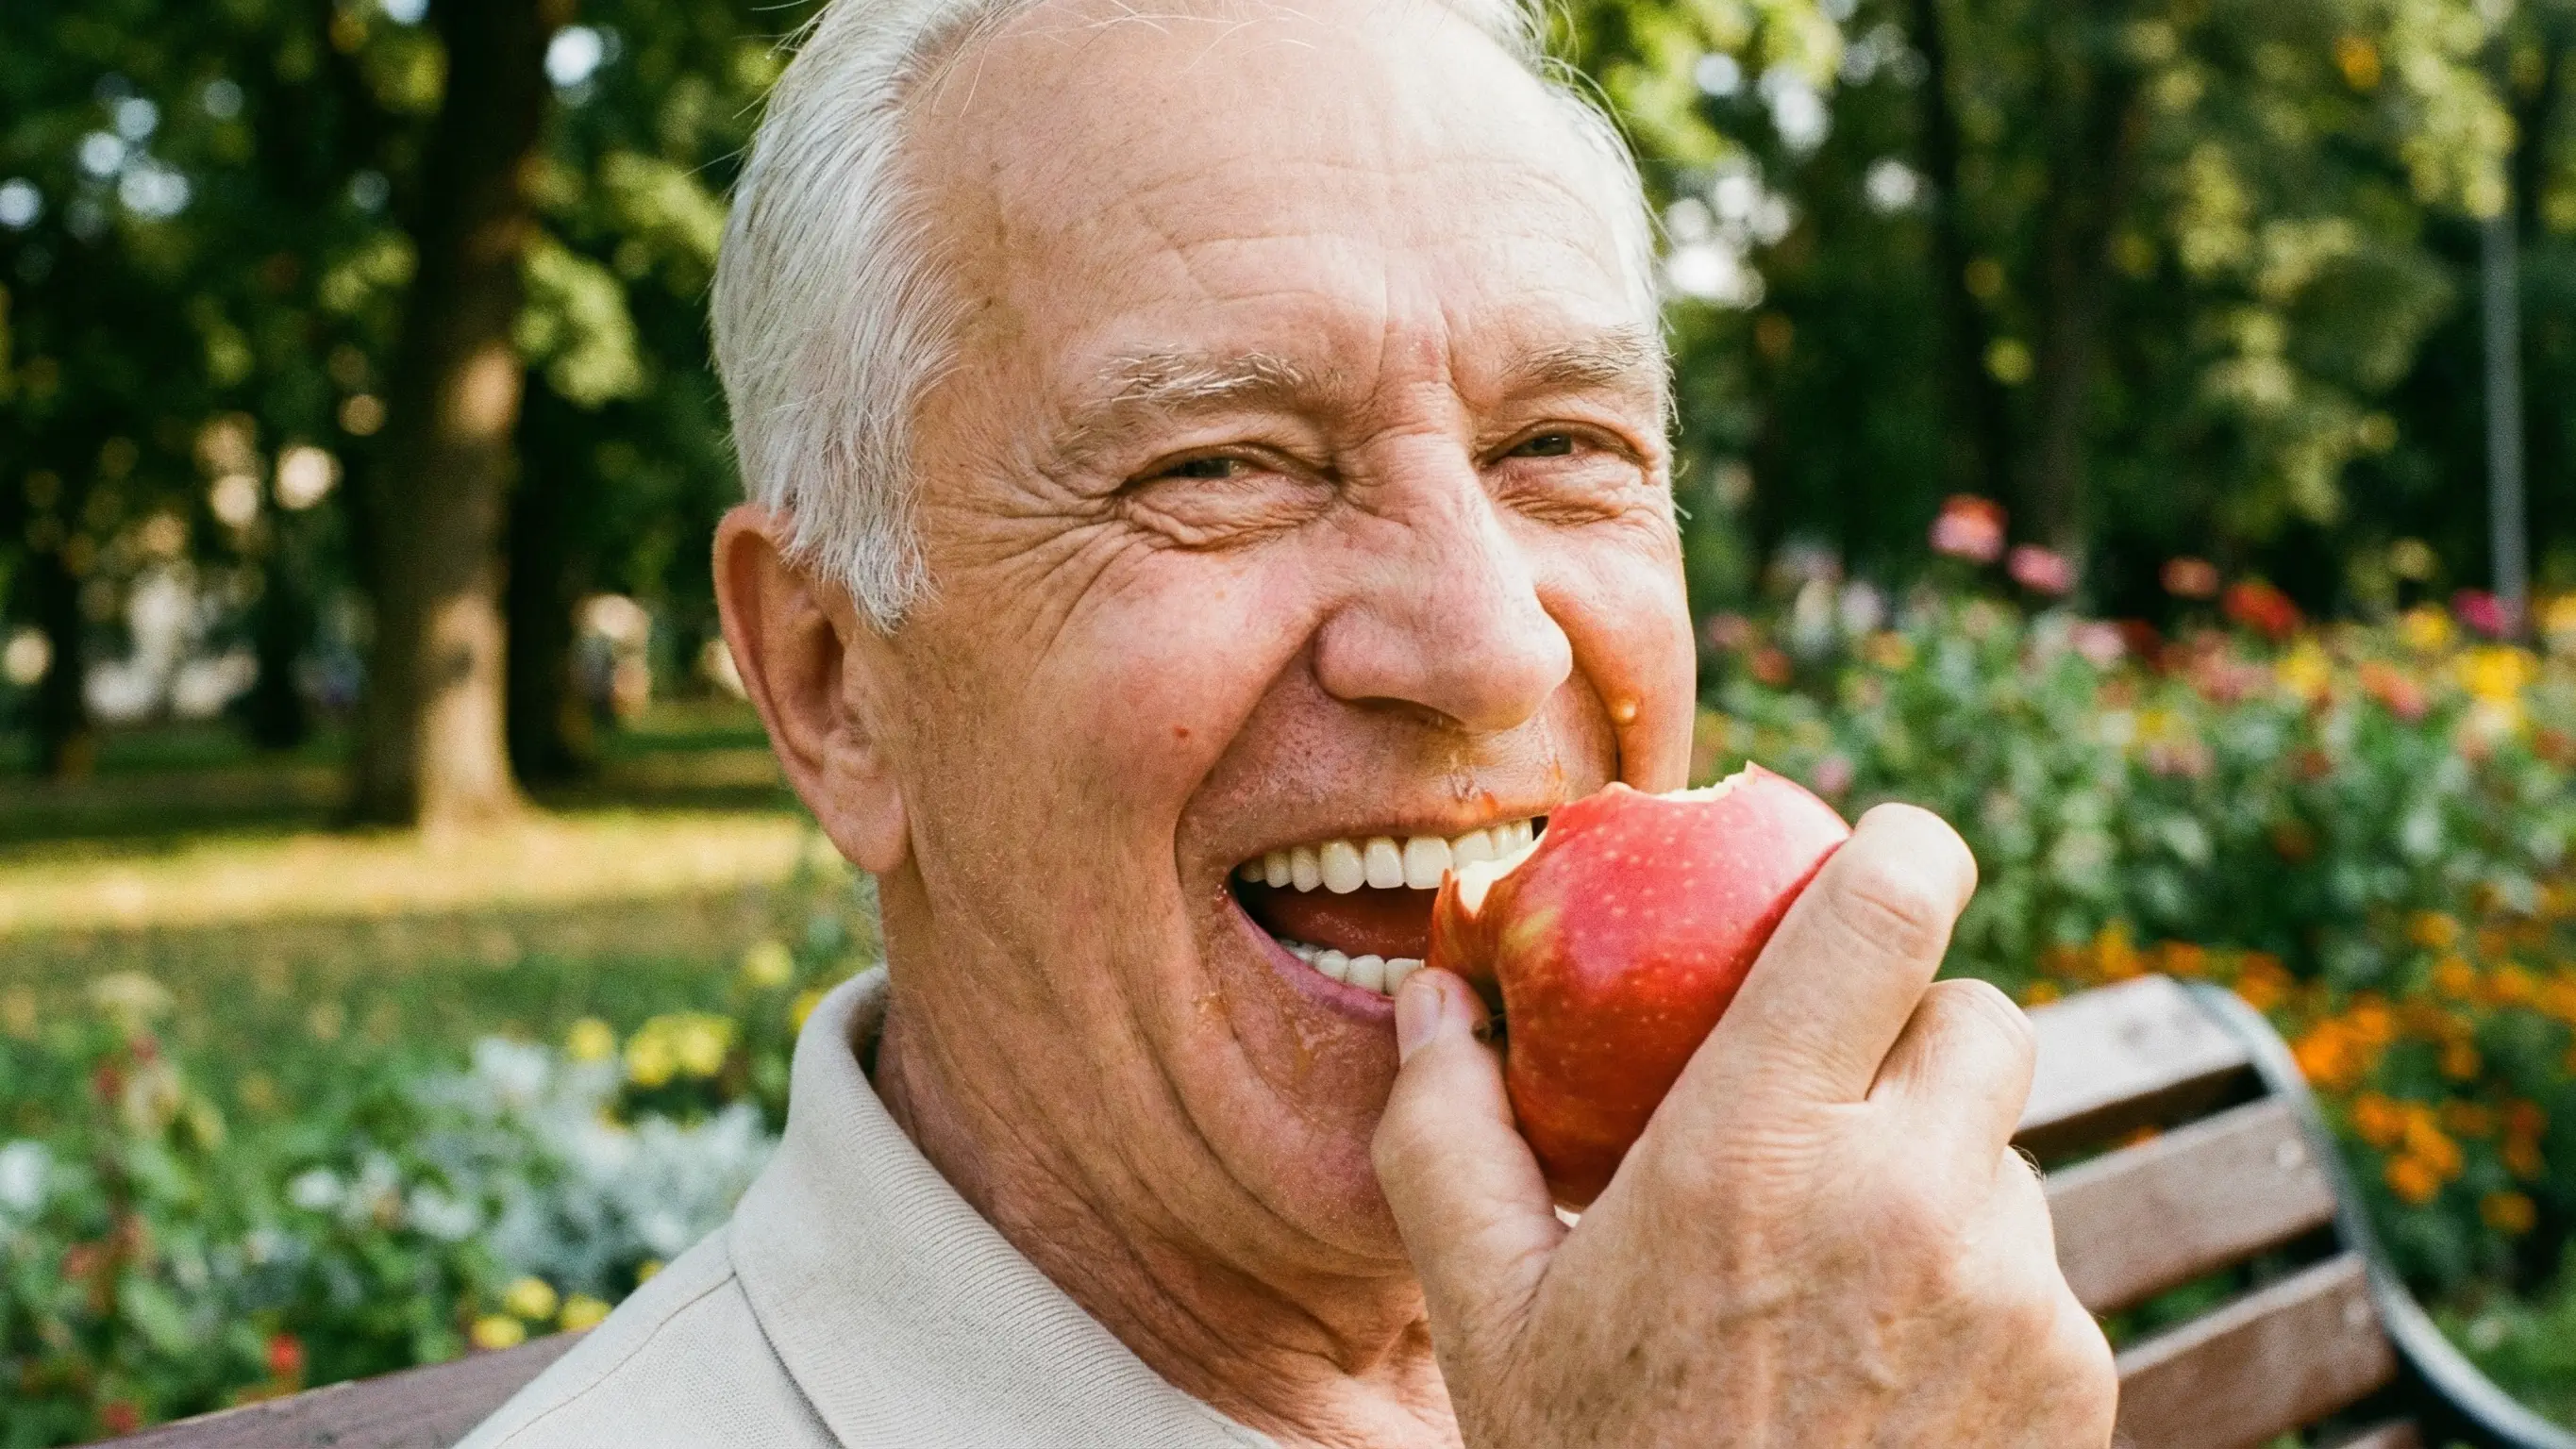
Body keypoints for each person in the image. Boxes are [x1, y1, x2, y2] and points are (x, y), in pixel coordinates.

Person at [458, 0, 2118, 1443]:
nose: (1487, 651)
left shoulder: (1830, 1341)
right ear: (834, 688)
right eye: (1217, 465)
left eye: (1561, 444)